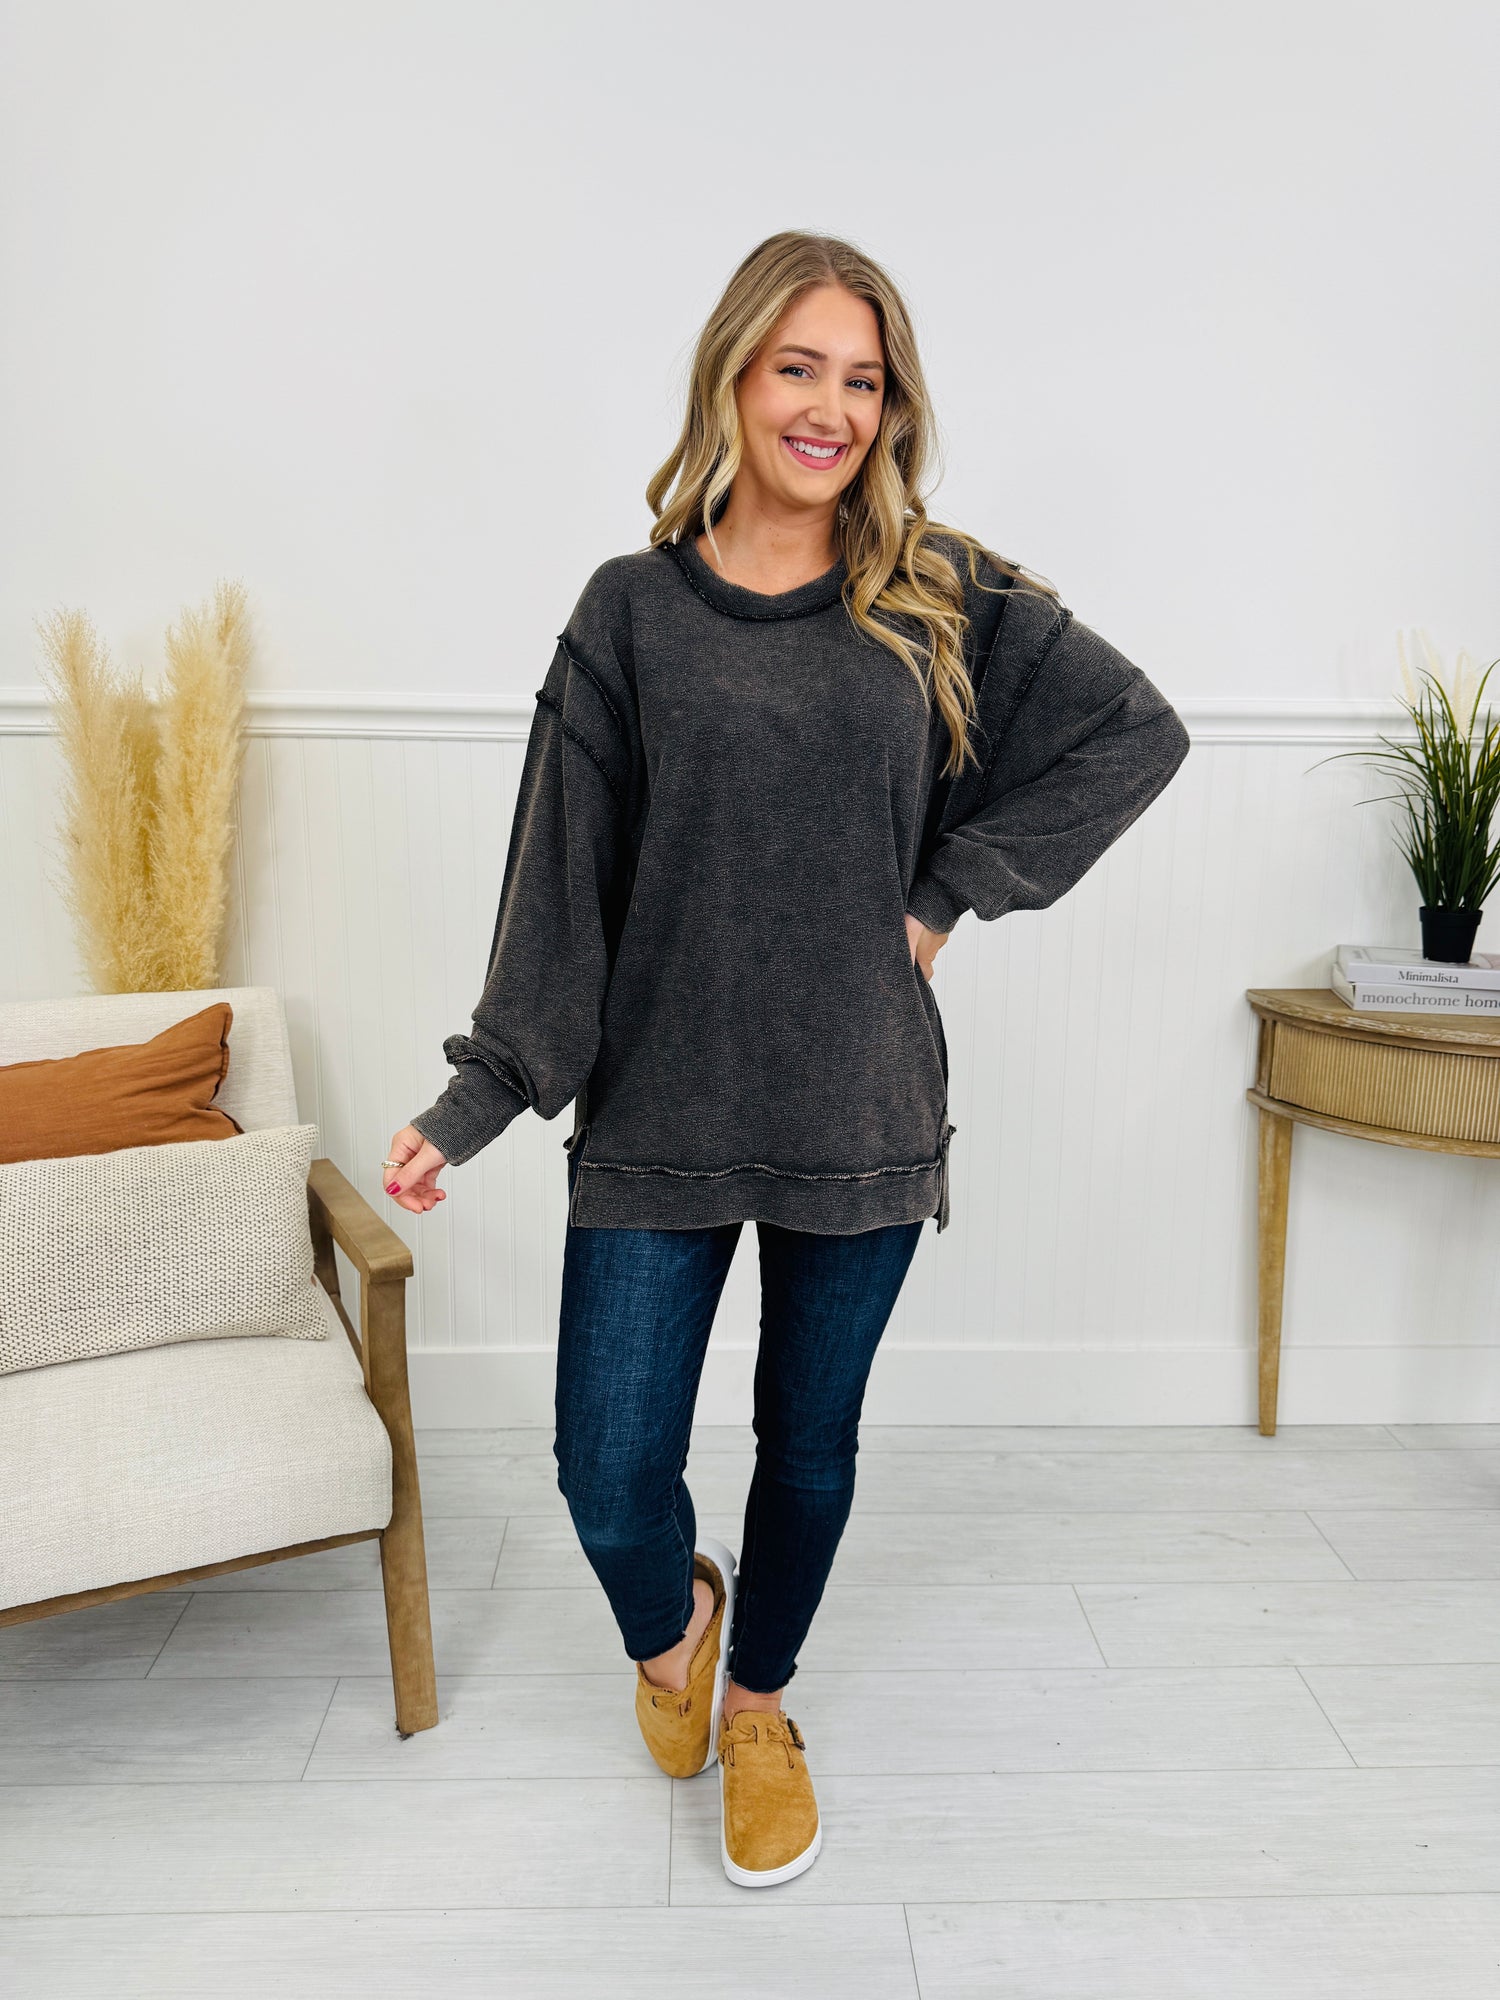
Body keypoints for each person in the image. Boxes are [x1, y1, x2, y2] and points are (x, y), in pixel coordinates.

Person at [381, 229, 1191, 1888]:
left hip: (861, 1102)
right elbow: (562, 878)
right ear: (734, 378)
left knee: (807, 1449)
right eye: (798, 368)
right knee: (609, 1470)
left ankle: (758, 1706)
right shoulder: (630, 613)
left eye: (863, 380)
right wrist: (477, 1099)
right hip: (660, 1106)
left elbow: (1137, 733)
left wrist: (950, 891)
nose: (830, 408)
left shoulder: (938, 592)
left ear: (892, 410)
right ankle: (678, 1629)